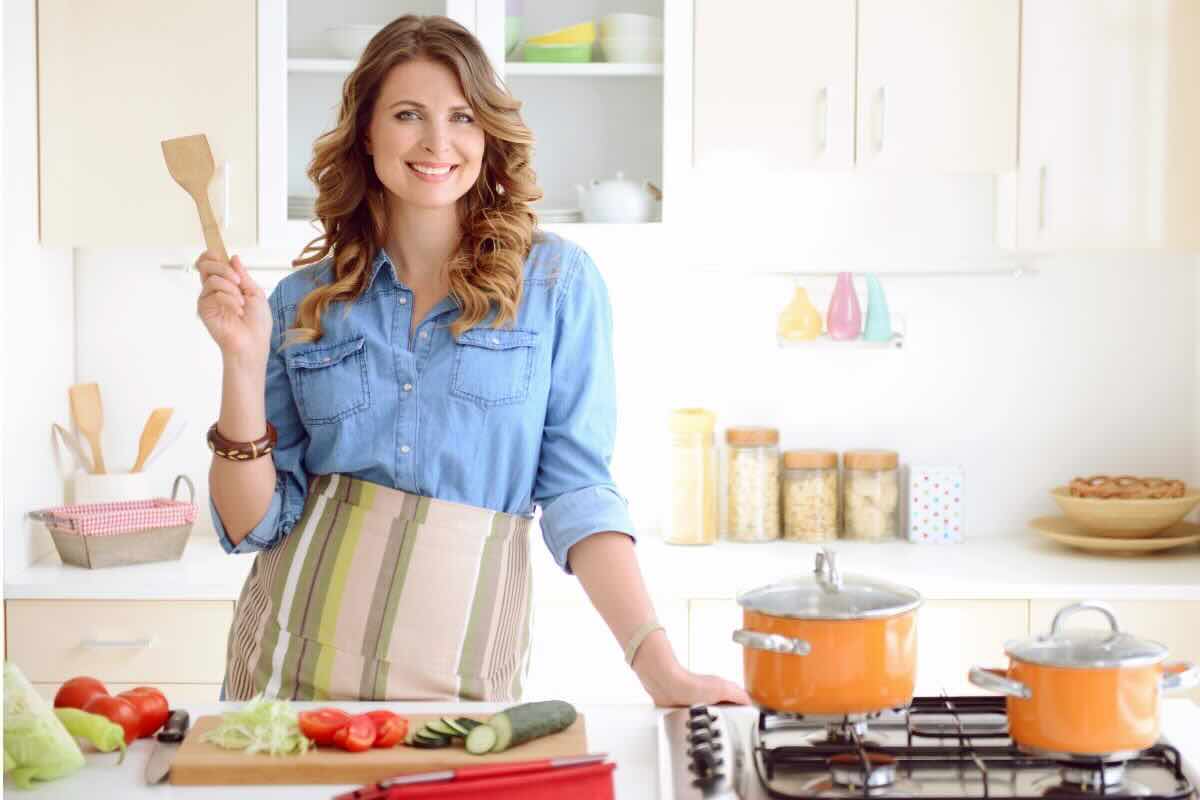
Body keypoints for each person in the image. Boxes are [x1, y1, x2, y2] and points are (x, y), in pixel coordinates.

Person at [196, 14, 749, 707]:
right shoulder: (300, 300)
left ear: (487, 133)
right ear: (366, 132)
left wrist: (660, 669)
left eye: (461, 116)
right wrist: (241, 362)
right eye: (408, 114)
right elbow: (251, 523)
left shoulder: (554, 284)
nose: (437, 141)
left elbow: (577, 491)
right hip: (289, 674)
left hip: (462, 677)